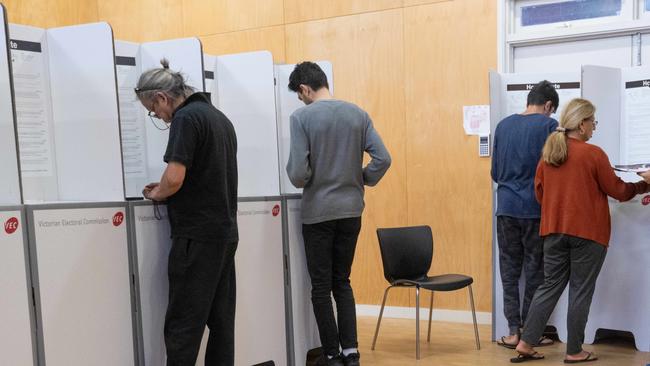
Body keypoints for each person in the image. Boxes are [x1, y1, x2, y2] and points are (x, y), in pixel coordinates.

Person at [511, 98, 649, 363]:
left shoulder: (549, 155)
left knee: (549, 287)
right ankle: (574, 351)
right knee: (580, 291)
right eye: (593, 122)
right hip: (588, 233)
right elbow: (618, 191)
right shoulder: (593, 154)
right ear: (583, 124)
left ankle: (526, 343)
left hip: (553, 231)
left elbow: (540, 193)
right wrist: (644, 185)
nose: (594, 127)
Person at [286, 61, 391, 366]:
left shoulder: (301, 117)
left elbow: (299, 175)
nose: (301, 99)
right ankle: (351, 352)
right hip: (350, 211)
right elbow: (383, 159)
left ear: (305, 88)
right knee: (342, 282)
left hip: (318, 212)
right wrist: (361, 177)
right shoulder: (358, 114)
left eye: (300, 94)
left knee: (320, 287)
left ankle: (331, 355)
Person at [135, 59, 239, 366]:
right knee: (221, 324)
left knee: (183, 325)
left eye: (153, 110)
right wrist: (167, 185)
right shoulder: (218, 118)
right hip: (224, 235)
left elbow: (175, 177)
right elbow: (202, 175)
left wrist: (157, 192)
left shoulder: (186, 119)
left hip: (196, 238)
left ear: (162, 98)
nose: (157, 115)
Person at [491, 80, 559, 349]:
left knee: (509, 272)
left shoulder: (503, 125)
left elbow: (495, 172)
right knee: (535, 273)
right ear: (548, 105)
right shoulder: (549, 126)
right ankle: (530, 333)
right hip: (535, 210)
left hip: (505, 208)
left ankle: (512, 332)